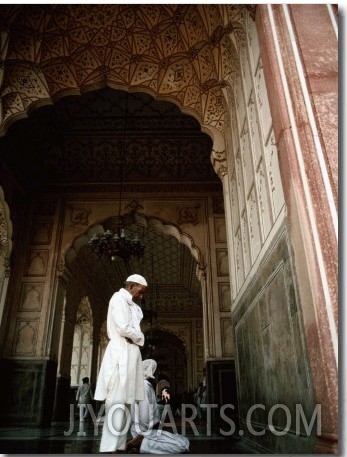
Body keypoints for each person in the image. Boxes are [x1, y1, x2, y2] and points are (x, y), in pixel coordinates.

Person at [94, 274, 148, 453]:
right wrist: (140, 337)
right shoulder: (118, 299)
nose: (142, 295)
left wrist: (136, 338)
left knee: (126, 403)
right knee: (116, 400)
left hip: (131, 354)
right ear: (132, 285)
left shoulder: (132, 305)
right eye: (141, 290)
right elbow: (123, 328)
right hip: (121, 352)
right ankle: (109, 447)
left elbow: (130, 329)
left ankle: (118, 446)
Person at [126, 359, 190, 454]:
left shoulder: (146, 386)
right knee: (181, 446)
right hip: (143, 434)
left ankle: (141, 445)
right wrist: (141, 436)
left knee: (183, 440)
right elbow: (144, 417)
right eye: (155, 372)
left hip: (150, 432)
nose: (157, 375)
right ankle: (137, 444)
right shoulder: (144, 387)